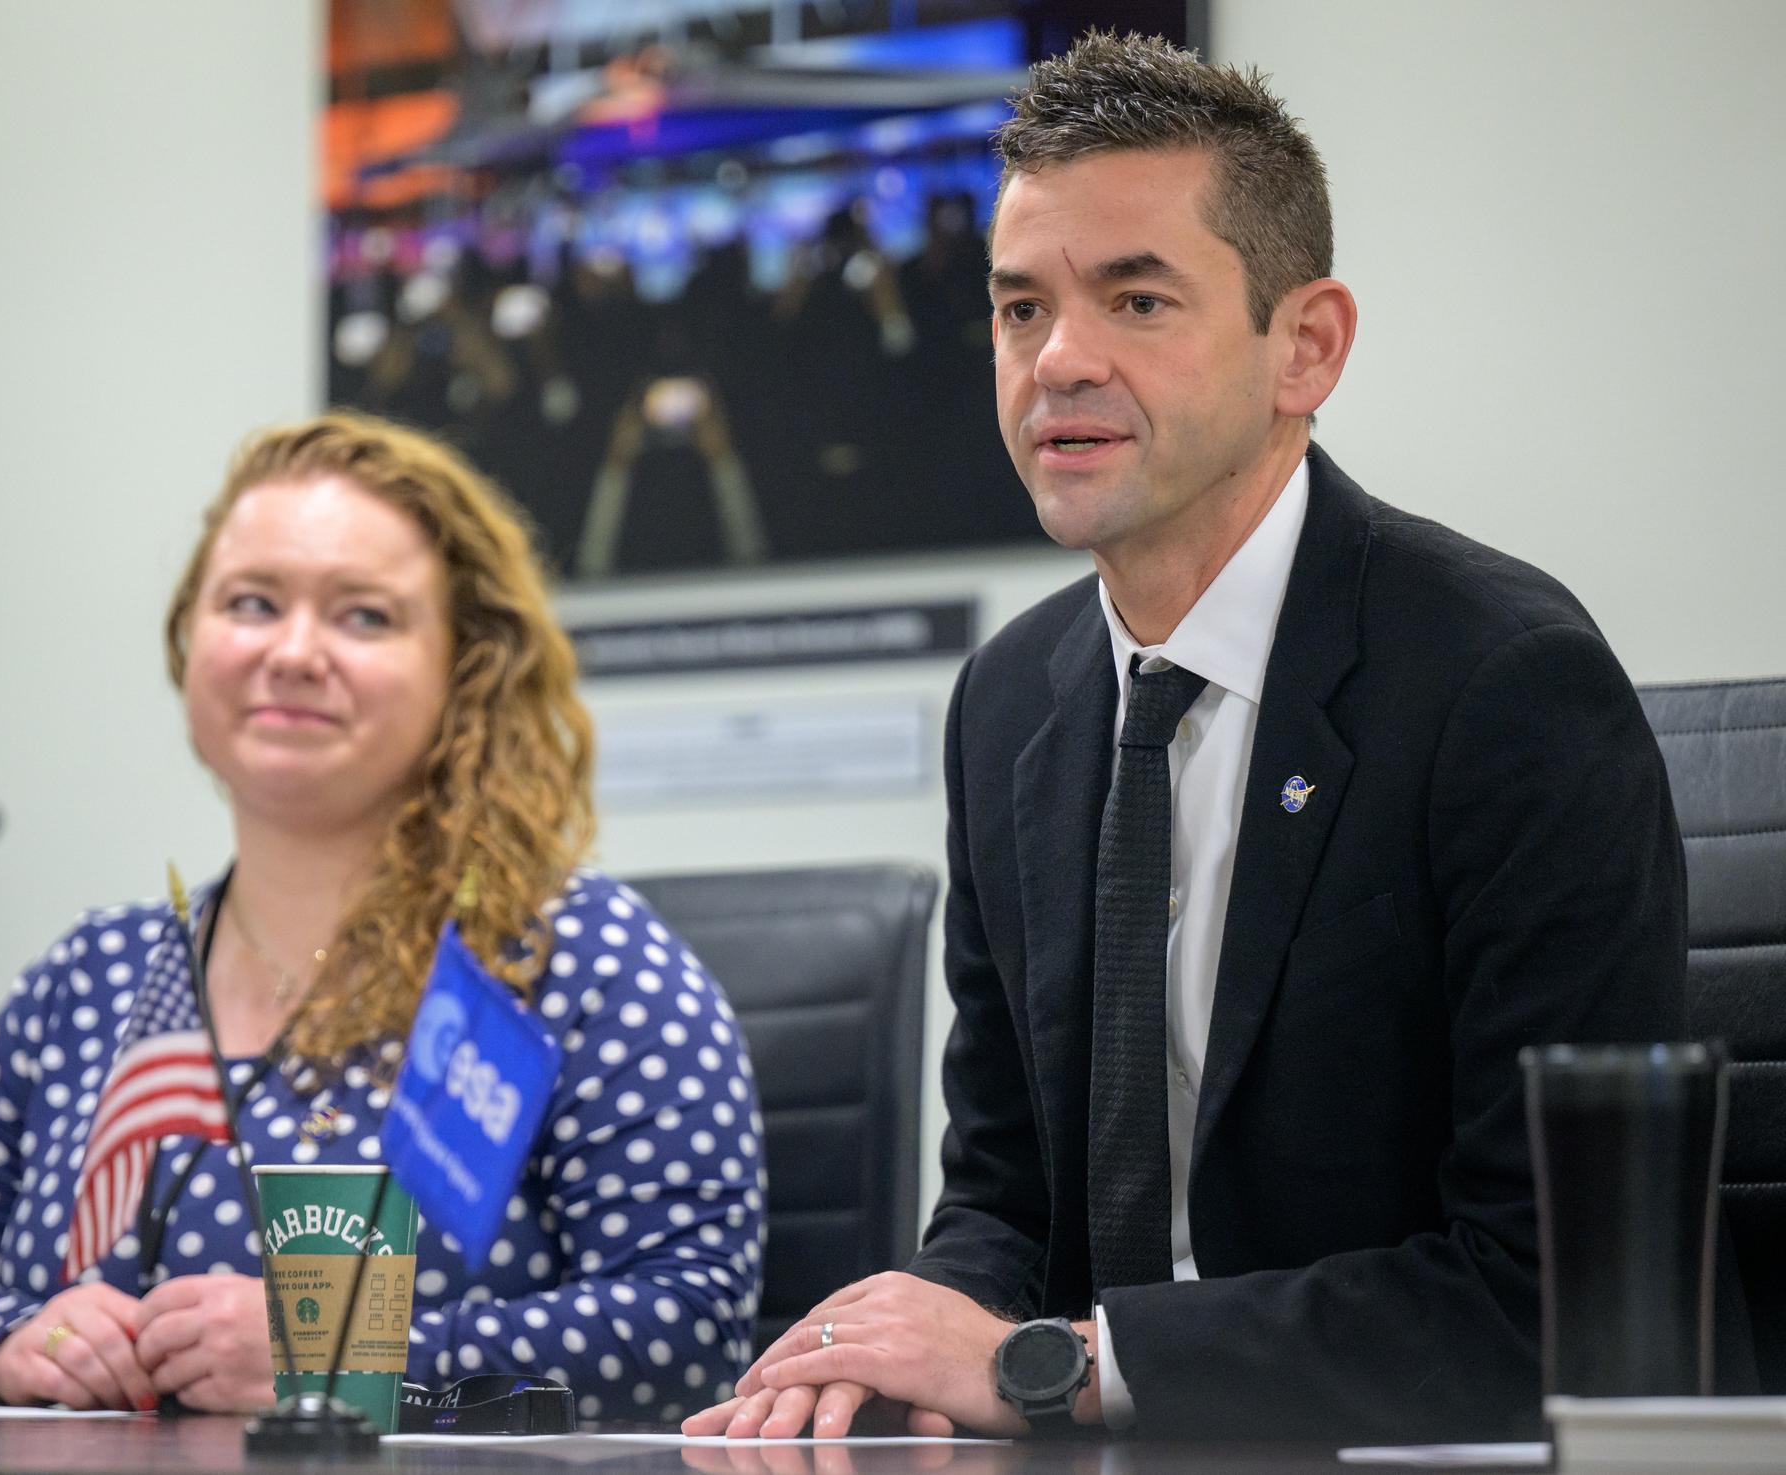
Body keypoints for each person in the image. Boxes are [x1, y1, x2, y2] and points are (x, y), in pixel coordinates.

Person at [687, 30, 1711, 1444]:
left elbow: (1542, 1293)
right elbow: (1000, 1198)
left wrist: (1051, 1362)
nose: (1058, 360)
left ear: (1308, 346)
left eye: (1138, 298)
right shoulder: (1011, 700)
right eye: (1017, 307)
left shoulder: (1503, 683)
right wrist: (883, 1346)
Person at [0, 412, 765, 1419]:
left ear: (464, 670)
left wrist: (343, 1349)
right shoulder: (93, 973)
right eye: (251, 603)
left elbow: (690, 1330)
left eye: (364, 616)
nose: (294, 652)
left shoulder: (576, 962)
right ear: (188, 640)